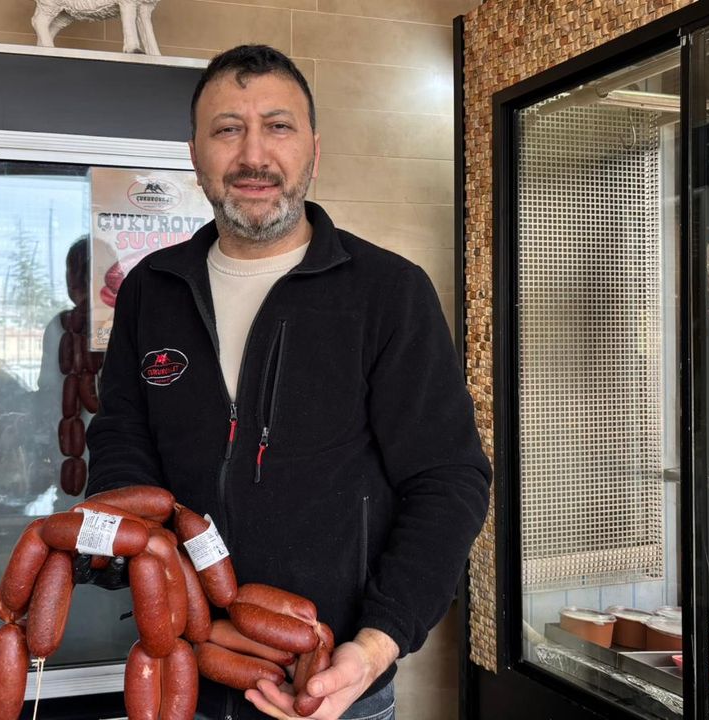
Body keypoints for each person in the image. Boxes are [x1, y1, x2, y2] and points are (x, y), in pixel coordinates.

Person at [86, 44, 491, 720]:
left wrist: (376, 643)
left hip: (332, 682)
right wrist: (130, 555)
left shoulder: (388, 293)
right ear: (194, 153)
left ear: (313, 150)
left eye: (278, 126)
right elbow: (122, 438)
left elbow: (448, 480)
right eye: (227, 129)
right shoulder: (151, 290)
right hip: (176, 669)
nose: (254, 155)